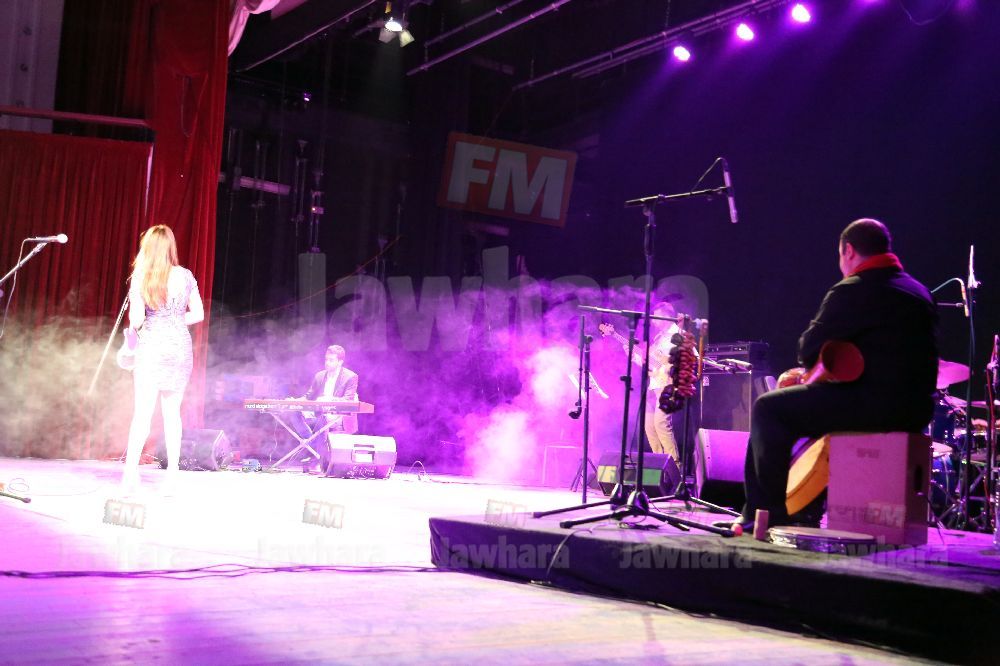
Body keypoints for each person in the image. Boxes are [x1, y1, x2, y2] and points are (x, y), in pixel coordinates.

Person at [724, 218, 938, 530]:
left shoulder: (853, 289)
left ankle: (764, 514)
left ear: (848, 251)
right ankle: (805, 508)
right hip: (916, 411)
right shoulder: (920, 293)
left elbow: (809, 349)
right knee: (801, 409)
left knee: (769, 408)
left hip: (872, 405)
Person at [121, 225, 204, 494]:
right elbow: (198, 314)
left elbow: (136, 320)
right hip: (179, 347)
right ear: (170, 247)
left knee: (142, 414)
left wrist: (130, 343)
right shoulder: (186, 275)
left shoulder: (141, 277)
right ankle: (172, 477)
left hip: (153, 346)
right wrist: (175, 320)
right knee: (172, 414)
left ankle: (130, 475)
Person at [287, 345, 359, 470]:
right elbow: (308, 397)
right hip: (319, 412)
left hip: (338, 415)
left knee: (324, 418)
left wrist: (329, 399)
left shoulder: (350, 377)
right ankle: (315, 448)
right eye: (326, 359)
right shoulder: (320, 376)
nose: (327, 363)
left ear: (340, 362)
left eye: (331, 360)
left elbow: (348, 400)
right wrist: (295, 401)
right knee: (294, 412)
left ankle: (317, 457)